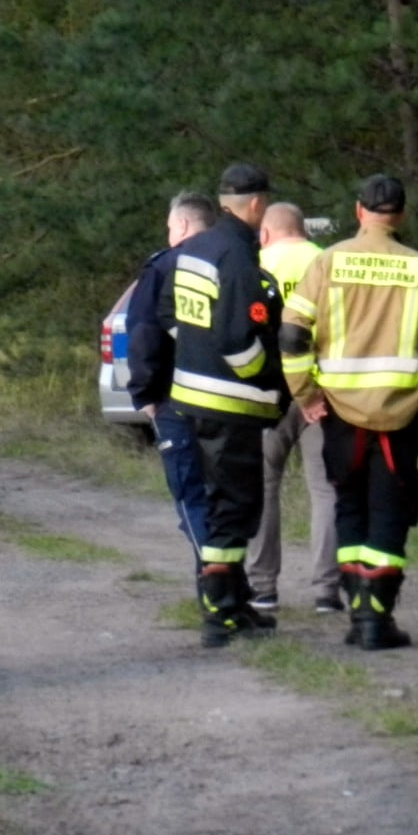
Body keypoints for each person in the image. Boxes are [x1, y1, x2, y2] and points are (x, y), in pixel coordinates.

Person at [281, 174, 418, 650]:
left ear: (358, 210)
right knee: (390, 511)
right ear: (401, 215)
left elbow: (291, 334)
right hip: (402, 413)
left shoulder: (326, 264)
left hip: (339, 411)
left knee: (349, 505)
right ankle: (377, 618)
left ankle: (357, 611)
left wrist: (306, 393)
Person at [157, 163, 288, 647]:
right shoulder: (234, 254)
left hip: (193, 396)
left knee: (223, 503)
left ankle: (235, 603)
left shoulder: (196, 248)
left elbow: (172, 314)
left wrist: (198, 354)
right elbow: (239, 342)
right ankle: (221, 612)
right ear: (256, 205)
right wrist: (270, 383)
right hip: (230, 402)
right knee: (233, 507)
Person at [246, 203, 340, 614]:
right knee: (325, 489)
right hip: (322, 391)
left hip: (269, 392)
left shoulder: (255, 263)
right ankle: (327, 589)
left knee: (264, 486)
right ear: (303, 230)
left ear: (265, 233)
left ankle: (263, 587)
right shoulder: (326, 263)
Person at [126, 191, 219, 565]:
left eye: (169, 227)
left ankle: (215, 588)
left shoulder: (163, 266)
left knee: (192, 495)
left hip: (176, 399)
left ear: (181, 224)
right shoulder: (230, 262)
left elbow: (144, 333)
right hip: (231, 400)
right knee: (226, 498)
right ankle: (235, 587)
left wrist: (145, 395)